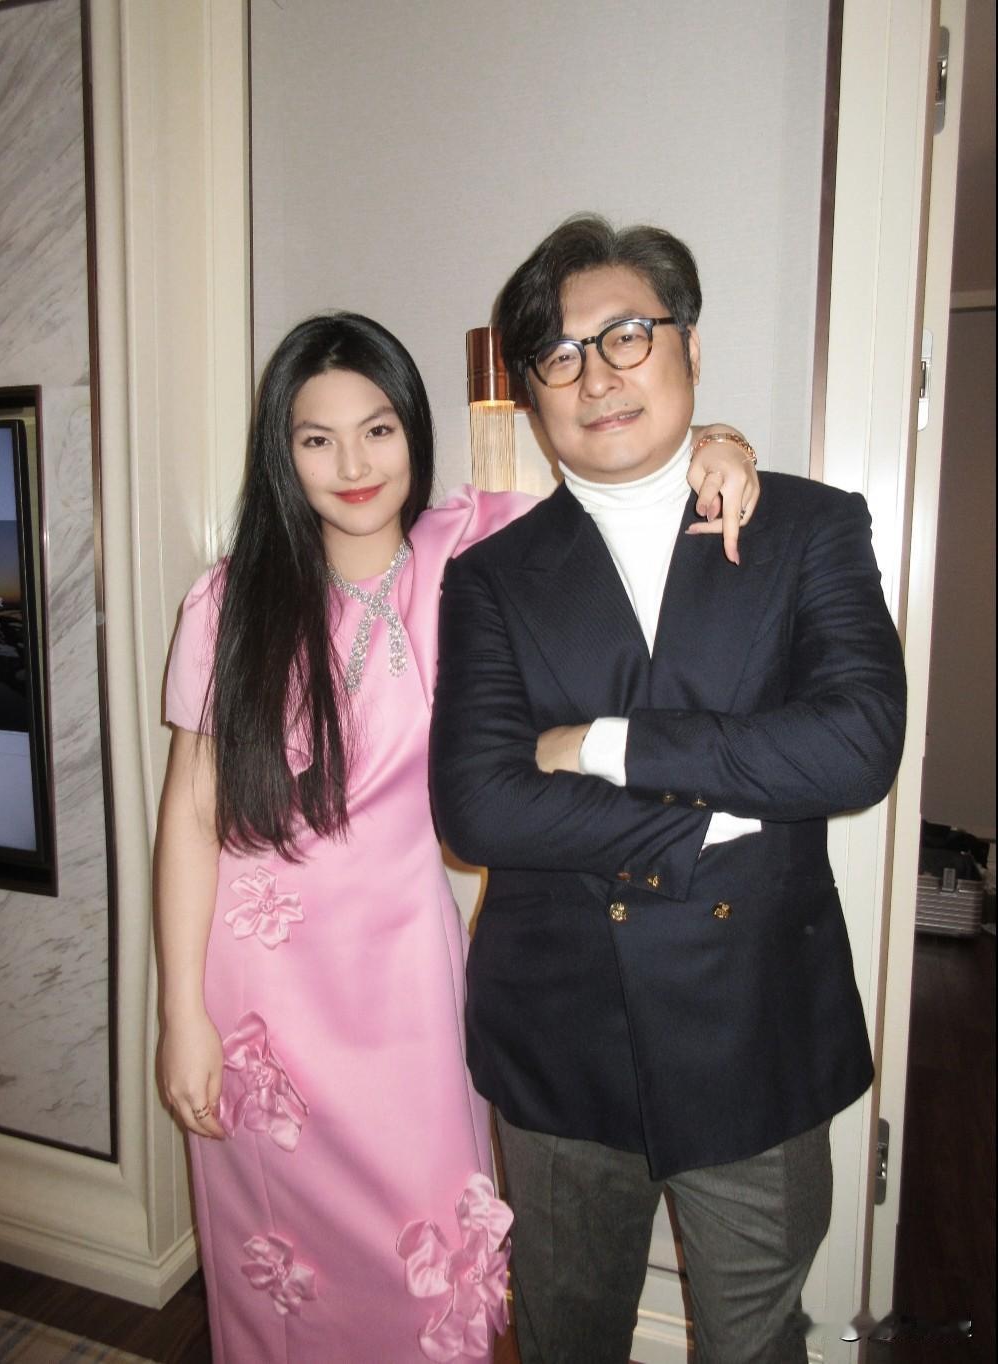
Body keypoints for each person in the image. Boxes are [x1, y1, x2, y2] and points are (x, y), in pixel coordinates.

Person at [154, 310, 759, 1363]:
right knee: (277, 1275)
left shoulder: (473, 549)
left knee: (426, 1254)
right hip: (259, 1001)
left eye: (378, 430)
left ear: (414, 430)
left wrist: (721, 445)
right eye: (317, 438)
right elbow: (191, 814)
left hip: (407, 988)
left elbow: (620, 479)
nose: (353, 465)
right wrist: (180, 1016)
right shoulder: (228, 601)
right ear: (282, 453)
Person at [429, 217, 908, 1364]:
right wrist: (726, 814)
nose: (596, 375)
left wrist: (603, 744)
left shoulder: (809, 527)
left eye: (627, 335)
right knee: (566, 1338)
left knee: (756, 1341)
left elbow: (857, 747)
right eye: (560, 355)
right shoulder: (490, 576)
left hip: (755, 1025)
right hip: (560, 1033)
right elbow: (480, 806)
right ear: (533, 394)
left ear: (690, 344)